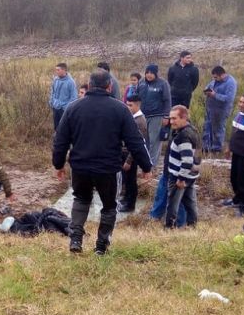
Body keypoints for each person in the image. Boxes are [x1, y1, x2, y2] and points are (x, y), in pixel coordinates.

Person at [53, 69, 152, 254]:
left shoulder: (73, 108)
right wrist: (146, 166)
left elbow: (60, 140)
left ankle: (76, 240)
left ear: (89, 86)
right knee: (109, 206)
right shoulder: (120, 109)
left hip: (80, 167)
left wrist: (58, 164)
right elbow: (136, 141)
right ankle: (101, 246)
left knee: (81, 199)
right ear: (110, 86)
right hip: (108, 169)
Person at [165, 106, 200, 228]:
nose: (171, 122)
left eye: (174, 118)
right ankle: (193, 227)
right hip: (191, 175)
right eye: (170, 118)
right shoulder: (192, 130)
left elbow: (187, 160)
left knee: (172, 205)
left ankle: (168, 229)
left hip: (179, 176)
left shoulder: (183, 136)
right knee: (191, 204)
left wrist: (180, 179)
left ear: (184, 118)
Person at [136, 64, 171, 167]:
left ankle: (152, 165)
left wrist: (166, 116)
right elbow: (136, 97)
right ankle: (144, 163)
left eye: (151, 73)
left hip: (157, 115)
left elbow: (167, 100)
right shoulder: (141, 83)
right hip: (143, 115)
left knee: (154, 141)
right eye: (147, 72)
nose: (149, 75)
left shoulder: (162, 84)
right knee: (143, 140)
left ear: (156, 74)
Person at [118, 94, 148, 213]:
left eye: (130, 105)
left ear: (137, 105)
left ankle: (130, 205)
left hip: (132, 155)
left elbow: (138, 143)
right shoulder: (131, 117)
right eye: (127, 104)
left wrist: (129, 160)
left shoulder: (140, 120)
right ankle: (126, 200)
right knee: (127, 179)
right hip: (125, 152)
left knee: (131, 180)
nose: (128, 107)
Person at [202, 66, 238, 154]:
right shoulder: (215, 80)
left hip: (221, 110)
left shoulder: (231, 83)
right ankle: (206, 147)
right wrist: (207, 91)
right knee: (207, 128)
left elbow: (229, 98)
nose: (214, 79)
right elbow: (209, 85)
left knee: (218, 130)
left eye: (215, 77)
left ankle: (216, 149)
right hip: (210, 108)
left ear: (222, 75)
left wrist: (215, 95)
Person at [48, 62, 78, 131]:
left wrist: (66, 108)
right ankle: (56, 140)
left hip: (64, 110)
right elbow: (52, 92)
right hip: (55, 108)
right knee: (56, 128)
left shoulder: (71, 82)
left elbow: (73, 98)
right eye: (56, 70)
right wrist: (51, 102)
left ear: (64, 70)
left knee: (64, 129)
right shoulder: (55, 79)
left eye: (58, 70)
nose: (56, 72)